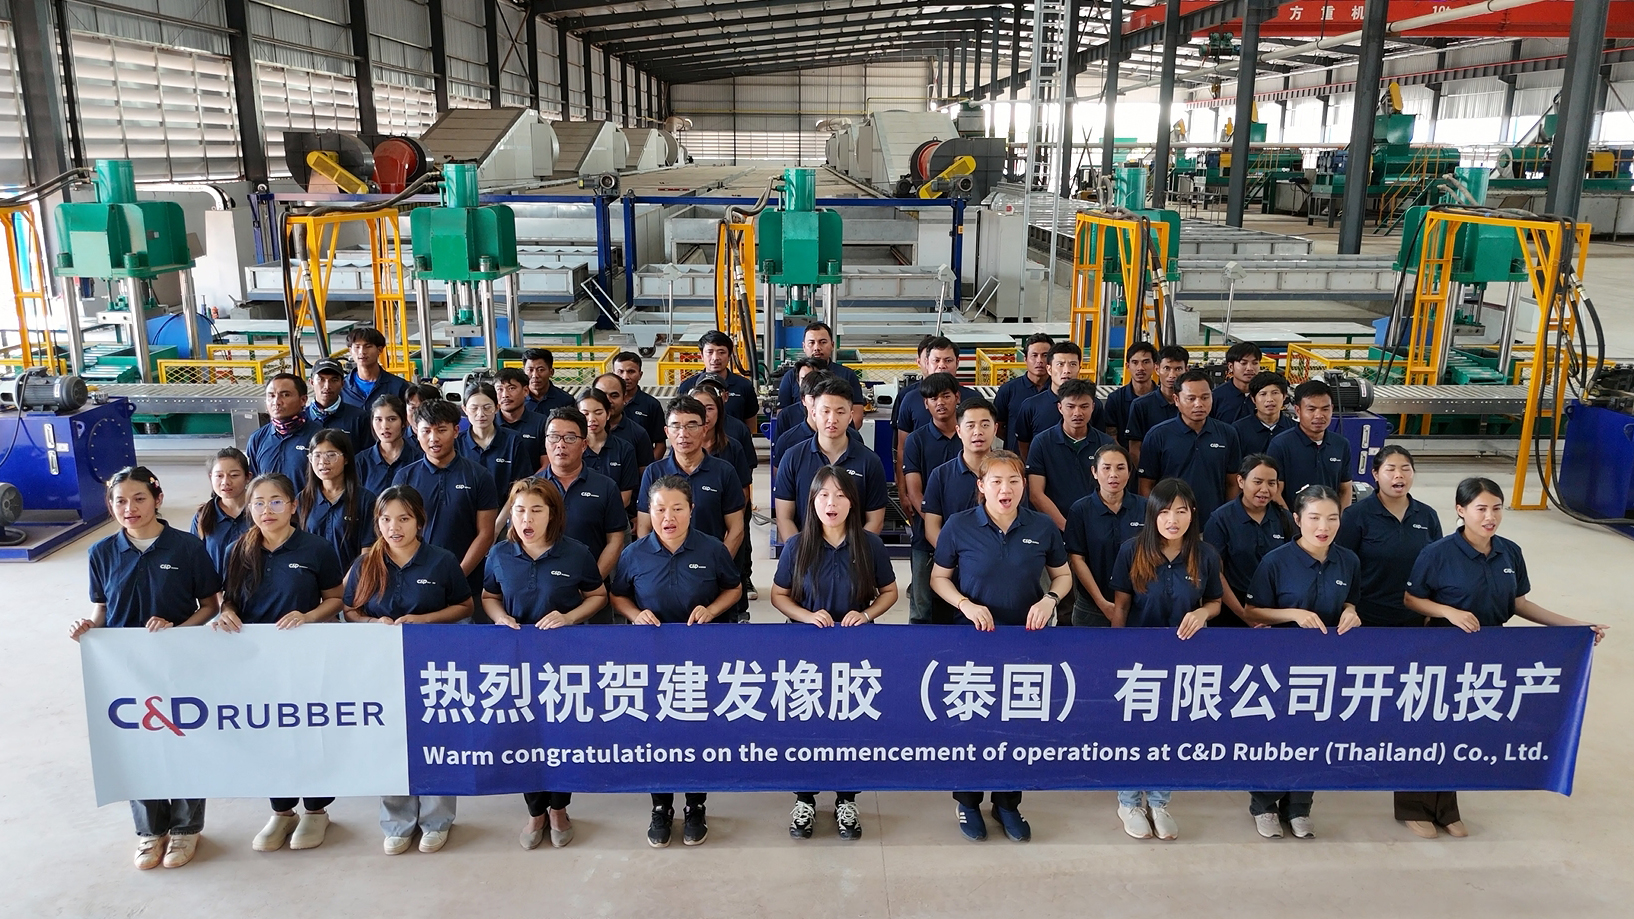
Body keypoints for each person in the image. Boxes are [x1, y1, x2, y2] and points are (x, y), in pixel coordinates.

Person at [1401, 477, 1609, 839]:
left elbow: (1519, 603)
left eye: (1496, 508)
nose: (1490, 517)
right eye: (1481, 509)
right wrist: (1448, 612)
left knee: (1465, 729)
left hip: (1491, 654)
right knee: (1431, 728)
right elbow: (1412, 599)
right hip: (1443, 652)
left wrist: (1576, 625)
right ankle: (1413, 808)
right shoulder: (1438, 553)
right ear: (1460, 510)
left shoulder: (1509, 552)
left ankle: (1445, 809)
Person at [72, 467, 221, 870]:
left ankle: (186, 828)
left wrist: (177, 631)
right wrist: (88, 629)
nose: (130, 508)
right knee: (137, 745)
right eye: (120, 501)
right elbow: (101, 610)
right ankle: (150, 831)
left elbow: (210, 605)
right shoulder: (101, 552)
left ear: (157, 499)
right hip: (127, 671)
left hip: (180, 665)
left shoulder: (187, 547)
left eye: (139, 498)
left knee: (183, 740)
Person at [930, 451, 1070, 843]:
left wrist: (1050, 599)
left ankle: (1007, 803)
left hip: (1025, 643)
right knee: (973, 722)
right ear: (981, 486)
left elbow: (1062, 575)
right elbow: (939, 578)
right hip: (973, 642)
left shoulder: (1041, 526)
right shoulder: (959, 526)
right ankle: (968, 801)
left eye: (1013, 481)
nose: (1005, 489)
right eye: (996, 481)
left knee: (1018, 724)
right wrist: (965, 604)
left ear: (1023, 485)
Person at [214, 472, 346, 853]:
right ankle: (281, 811)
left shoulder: (316, 548)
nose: (266, 510)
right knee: (269, 733)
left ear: (293, 505)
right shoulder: (237, 550)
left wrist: (308, 616)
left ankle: (317, 810)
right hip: (258, 662)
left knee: (309, 730)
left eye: (275, 501)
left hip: (306, 657)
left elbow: (336, 599)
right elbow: (230, 598)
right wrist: (226, 611)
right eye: (258, 503)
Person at [609, 476, 744, 848]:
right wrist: (635, 614)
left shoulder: (712, 549)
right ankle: (661, 805)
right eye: (659, 509)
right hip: (651, 660)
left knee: (696, 732)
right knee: (657, 732)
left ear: (691, 510)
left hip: (700, 661)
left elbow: (733, 588)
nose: (668, 517)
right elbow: (618, 595)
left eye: (677, 508)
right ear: (648, 511)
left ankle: (696, 804)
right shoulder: (634, 554)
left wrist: (712, 609)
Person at [343, 486, 474, 854]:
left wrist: (425, 619)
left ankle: (437, 819)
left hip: (433, 668)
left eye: (403, 519)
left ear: (420, 521)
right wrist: (372, 623)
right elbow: (349, 610)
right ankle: (397, 822)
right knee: (392, 741)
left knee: (436, 740)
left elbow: (464, 606)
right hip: (381, 670)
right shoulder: (365, 564)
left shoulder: (441, 561)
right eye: (386, 519)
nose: (394, 527)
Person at [771, 466, 898, 841]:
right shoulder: (797, 546)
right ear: (812, 501)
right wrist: (806, 616)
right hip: (805, 654)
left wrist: (867, 614)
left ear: (852, 503)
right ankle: (805, 798)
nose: (832, 503)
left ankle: (847, 799)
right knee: (807, 724)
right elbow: (778, 595)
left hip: (855, 654)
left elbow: (890, 592)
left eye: (841, 495)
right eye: (824, 495)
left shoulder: (869, 545)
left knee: (850, 726)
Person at [482, 478, 607, 850]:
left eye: (536, 510)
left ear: (553, 514)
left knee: (560, 735)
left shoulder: (576, 553)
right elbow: (489, 596)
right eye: (519, 510)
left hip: (563, 662)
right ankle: (535, 811)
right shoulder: (500, 554)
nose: (527, 519)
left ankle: (559, 809)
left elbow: (598, 595)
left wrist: (568, 617)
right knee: (524, 735)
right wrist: (500, 617)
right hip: (518, 662)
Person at [1241, 484, 1360, 840]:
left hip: (1325, 666)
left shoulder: (1348, 561)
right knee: (1276, 733)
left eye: (1332, 518)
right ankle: (1264, 803)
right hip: (1280, 666)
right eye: (1314, 518)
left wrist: (1351, 612)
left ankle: (1299, 806)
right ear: (1297, 519)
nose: (1324, 526)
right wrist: (1292, 614)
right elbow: (1252, 611)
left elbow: (1351, 600)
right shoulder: (1276, 561)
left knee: (1315, 733)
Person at [1109, 477, 1222, 842]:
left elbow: (1215, 602)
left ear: (1193, 513)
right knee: (1134, 732)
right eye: (1165, 512)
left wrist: (1203, 613)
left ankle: (1159, 802)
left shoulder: (1206, 555)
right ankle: (1129, 801)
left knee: (1171, 730)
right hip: (1138, 661)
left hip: (1185, 661)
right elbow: (1121, 606)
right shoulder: (1131, 550)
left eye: (1181, 511)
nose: (1173, 520)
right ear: (1152, 514)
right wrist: (1116, 653)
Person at [393, 398, 499, 604]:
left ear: (456, 430)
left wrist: (456, 576)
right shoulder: (404, 477)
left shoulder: (479, 476)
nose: (433, 438)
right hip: (415, 583)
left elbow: (485, 534)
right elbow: (396, 531)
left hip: (468, 583)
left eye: (441, 430)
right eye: (426, 431)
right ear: (416, 432)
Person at [1335, 446, 1441, 628]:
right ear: (1375, 474)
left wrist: (1432, 612)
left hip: (1414, 616)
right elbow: (1342, 567)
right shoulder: (1356, 515)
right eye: (1390, 469)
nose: (1399, 475)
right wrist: (1347, 608)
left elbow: (1437, 567)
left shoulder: (1427, 515)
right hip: (1366, 617)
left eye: (1405, 469)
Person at [918, 397, 1002, 623]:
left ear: (995, 429)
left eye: (985, 424)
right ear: (958, 431)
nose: (978, 432)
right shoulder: (941, 475)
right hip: (952, 574)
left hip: (998, 574)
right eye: (970, 425)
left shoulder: (1008, 476)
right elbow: (932, 528)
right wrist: (957, 558)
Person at [774, 377, 888, 539]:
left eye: (840, 412)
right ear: (814, 413)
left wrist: (853, 551)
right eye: (825, 411)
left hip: (854, 552)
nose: (832, 419)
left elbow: (875, 520)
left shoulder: (870, 462)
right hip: (805, 551)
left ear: (850, 416)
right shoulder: (792, 458)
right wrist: (799, 552)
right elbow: (784, 518)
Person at [636, 397, 745, 559]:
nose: (683, 434)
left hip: (710, 562)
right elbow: (644, 527)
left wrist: (719, 564)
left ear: (704, 429)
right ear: (666, 431)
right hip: (665, 564)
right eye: (676, 426)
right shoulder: (654, 472)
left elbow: (736, 528)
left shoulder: (724, 472)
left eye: (692, 426)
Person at [1137, 369, 1242, 522]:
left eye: (1205, 397)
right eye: (1191, 398)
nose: (1198, 404)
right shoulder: (1157, 436)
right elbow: (1146, 485)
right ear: (1176, 399)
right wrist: (1156, 520)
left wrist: (1227, 519)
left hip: (1212, 523)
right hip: (1171, 523)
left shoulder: (1228, 434)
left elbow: (1232, 483)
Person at [1203, 454, 1294, 628]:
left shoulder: (1285, 518)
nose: (1264, 489)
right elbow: (1215, 574)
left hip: (1276, 610)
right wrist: (1245, 615)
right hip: (1232, 611)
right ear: (1241, 481)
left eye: (1271, 483)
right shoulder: (1220, 520)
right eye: (1257, 482)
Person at [541, 408, 629, 588]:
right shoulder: (531, 489)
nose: (561, 444)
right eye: (554, 437)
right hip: (542, 590)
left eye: (570, 438)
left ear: (584, 444)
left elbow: (615, 541)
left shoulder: (606, 487)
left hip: (592, 590)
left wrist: (591, 585)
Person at [1064, 444, 1148, 627]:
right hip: (1092, 607)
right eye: (1106, 468)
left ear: (1129, 472)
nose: (1113, 474)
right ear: (1094, 472)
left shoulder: (1146, 508)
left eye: (1120, 468)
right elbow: (1077, 559)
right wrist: (1102, 603)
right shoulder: (1080, 510)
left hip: (1138, 605)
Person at [899, 373, 963, 608]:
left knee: (962, 605)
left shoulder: (969, 437)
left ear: (957, 397)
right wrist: (937, 529)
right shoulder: (916, 440)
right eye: (933, 398)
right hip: (926, 537)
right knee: (921, 608)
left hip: (969, 539)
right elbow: (915, 493)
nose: (940, 403)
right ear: (926, 404)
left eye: (946, 396)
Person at [692, 382, 758, 606]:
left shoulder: (733, 447)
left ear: (719, 410)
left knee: (730, 579)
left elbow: (743, 492)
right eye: (698, 408)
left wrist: (731, 528)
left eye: (709, 408)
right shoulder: (682, 452)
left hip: (727, 528)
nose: (704, 414)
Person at [1026, 378, 1113, 530]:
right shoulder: (1041, 443)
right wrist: (1067, 527)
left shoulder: (1106, 444)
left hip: (1095, 527)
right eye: (1070, 406)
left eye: (1084, 406)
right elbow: (1036, 494)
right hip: (1053, 527)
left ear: (1093, 407)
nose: (1077, 413)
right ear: (1060, 407)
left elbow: (1112, 490)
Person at [892, 335, 971, 490]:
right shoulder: (909, 399)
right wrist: (903, 491)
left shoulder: (973, 399)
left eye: (948, 360)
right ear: (927, 362)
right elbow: (901, 449)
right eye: (936, 360)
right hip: (922, 487)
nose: (942, 366)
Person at [300, 428, 377, 571]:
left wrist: (345, 583)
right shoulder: (302, 499)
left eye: (331, 455)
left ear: (346, 459)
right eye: (317, 456)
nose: (323, 462)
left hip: (353, 580)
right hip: (311, 580)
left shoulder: (365, 500)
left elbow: (367, 551)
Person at [1268, 378, 1352, 508]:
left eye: (1325, 409)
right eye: (1311, 409)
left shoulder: (1341, 444)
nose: (1319, 415)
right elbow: (1275, 492)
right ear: (1298, 410)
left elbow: (1345, 489)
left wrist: (1338, 517)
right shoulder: (1280, 445)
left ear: (1332, 409)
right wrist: (1291, 519)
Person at [1014, 341, 1104, 459]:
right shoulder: (1031, 406)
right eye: (1060, 364)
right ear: (1049, 369)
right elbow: (1023, 445)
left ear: (1079, 368)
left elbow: (1100, 441)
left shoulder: (1094, 404)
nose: (1066, 370)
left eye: (1072, 364)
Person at [775, 321, 867, 424]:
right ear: (804, 346)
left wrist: (837, 432)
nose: (817, 348)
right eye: (811, 343)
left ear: (832, 345)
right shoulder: (791, 376)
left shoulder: (847, 375)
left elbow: (857, 416)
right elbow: (782, 416)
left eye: (823, 342)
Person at [771, 369, 863, 472]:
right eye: (813, 397)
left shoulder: (854, 438)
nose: (818, 402)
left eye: (840, 412)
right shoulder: (788, 443)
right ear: (803, 399)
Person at [457, 381, 530, 499]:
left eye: (487, 408)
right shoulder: (456, 443)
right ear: (464, 409)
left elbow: (522, 485)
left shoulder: (513, 441)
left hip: (505, 508)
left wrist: (504, 512)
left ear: (497, 407)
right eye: (474, 408)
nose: (480, 414)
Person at [676, 330, 758, 426]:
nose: (715, 358)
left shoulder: (744, 386)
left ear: (729, 356)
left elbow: (750, 424)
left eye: (721, 352)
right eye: (710, 352)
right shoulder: (687, 387)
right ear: (701, 355)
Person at [191, 447, 252, 576]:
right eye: (219, 476)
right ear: (210, 477)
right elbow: (195, 561)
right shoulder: (202, 516)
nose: (226, 482)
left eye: (234, 475)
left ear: (248, 477)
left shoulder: (261, 512)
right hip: (217, 588)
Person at [1125, 344, 1188, 468]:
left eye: (1178, 369)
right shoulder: (1140, 405)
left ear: (1187, 369)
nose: (1172, 375)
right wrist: (1146, 474)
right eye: (1167, 368)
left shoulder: (1192, 405)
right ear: (1157, 369)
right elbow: (1134, 449)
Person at [246, 373, 314, 487]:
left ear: (303, 400)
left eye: (286, 395)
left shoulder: (318, 437)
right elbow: (252, 484)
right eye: (271, 396)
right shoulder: (257, 438)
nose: (276, 402)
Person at [577, 389, 638, 508]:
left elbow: (625, 498)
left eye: (598, 413)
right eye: (585, 414)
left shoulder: (625, 449)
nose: (592, 419)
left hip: (615, 514)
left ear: (608, 414)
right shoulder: (573, 448)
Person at [994, 332, 1054, 450]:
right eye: (1034, 355)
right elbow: (998, 426)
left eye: (1045, 355)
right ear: (1025, 359)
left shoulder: (1059, 391)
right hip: (1015, 458)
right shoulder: (1008, 390)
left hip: (1049, 457)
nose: (1039, 360)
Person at [356, 395, 423, 494]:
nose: (385, 426)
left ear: (403, 422)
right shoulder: (361, 462)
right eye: (378, 419)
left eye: (391, 419)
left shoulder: (419, 459)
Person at [594, 372, 656, 469]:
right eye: (602, 395)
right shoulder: (580, 432)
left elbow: (644, 472)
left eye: (614, 396)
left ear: (624, 398)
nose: (608, 401)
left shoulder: (639, 434)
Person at [340, 326, 410, 412]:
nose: (362, 352)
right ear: (350, 351)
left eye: (368, 346)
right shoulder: (342, 387)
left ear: (379, 350)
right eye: (357, 347)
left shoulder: (399, 386)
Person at [306, 358, 370, 448]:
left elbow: (367, 454)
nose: (327, 386)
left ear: (342, 384)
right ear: (311, 382)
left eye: (334, 380)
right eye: (321, 379)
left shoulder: (359, 418)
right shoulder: (301, 419)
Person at [1102, 341, 1157, 445]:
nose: (1140, 368)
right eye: (1135, 362)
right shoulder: (1115, 399)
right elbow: (1111, 437)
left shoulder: (1164, 399)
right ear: (1127, 366)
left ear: (1155, 365)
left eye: (1146, 362)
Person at [494, 367, 549, 469]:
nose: (505, 395)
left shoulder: (541, 422)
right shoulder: (489, 423)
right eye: (500, 389)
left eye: (511, 388)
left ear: (525, 391)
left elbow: (547, 464)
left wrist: (530, 480)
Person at [612, 350, 667, 450]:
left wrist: (649, 461)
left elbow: (660, 443)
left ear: (640, 375)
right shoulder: (605, 404)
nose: (625, 377)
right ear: (613, 374)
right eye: (620, 372)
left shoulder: (651, 405)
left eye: (631, 372)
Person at [1232, 371, 1296, 455]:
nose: (1269, 399)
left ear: (1284, 396)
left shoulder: (1295, 429)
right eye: (1263, 394)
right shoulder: (1238, 430)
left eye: (1275, 393)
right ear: (1253, 399)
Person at [1211, 342, 1263, 423]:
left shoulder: (1265, 394)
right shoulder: (1216, 397)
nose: (1249, 368)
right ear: (1231, 366)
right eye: (1243, 363)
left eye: (1255, 363)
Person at [522, 348, 576, 415]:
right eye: (530, 370)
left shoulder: (566, 401)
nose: (535, 375)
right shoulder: (516, 399)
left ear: (551, 372)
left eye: (540, 370)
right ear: (524, 372)